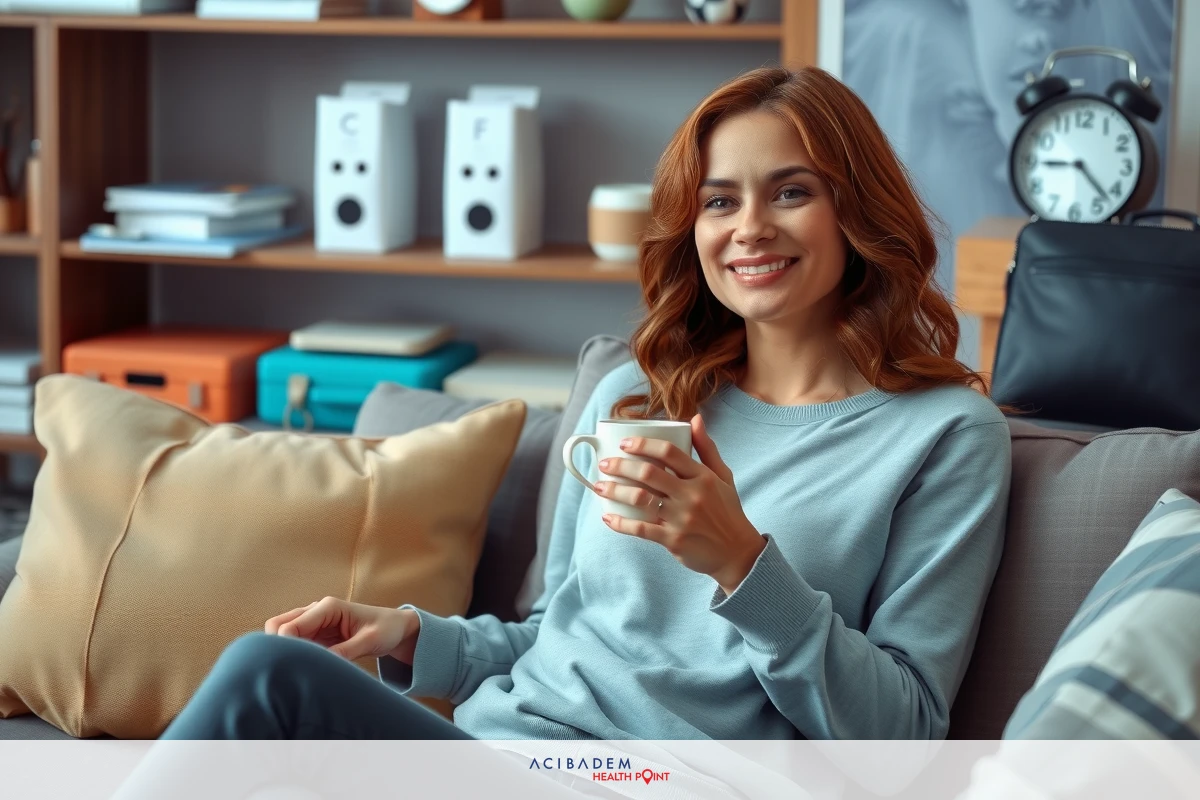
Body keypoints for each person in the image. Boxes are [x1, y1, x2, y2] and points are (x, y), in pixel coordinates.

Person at [160, 65, 1012, 745]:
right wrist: (411, 634)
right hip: (507, 752)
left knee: (267, 681)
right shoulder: (637, 397)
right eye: (720, 200)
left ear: (855, 211)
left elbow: (904, 735)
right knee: (273, 678)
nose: (749, 227)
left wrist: (742, 564)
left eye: (791, 192)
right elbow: (554, 634)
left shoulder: (943, 435)